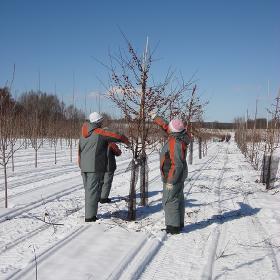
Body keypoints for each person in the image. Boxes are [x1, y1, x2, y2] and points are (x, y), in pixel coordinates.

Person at [78, 112, 129, 222]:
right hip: (94, 166)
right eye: (101, 121)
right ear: (98, 122)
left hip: (84, 166)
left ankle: (89, 214)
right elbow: (116, 136)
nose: (102, 123)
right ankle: (90, 217)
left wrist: (80, 163)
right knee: (92, 192)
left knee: (89, 191)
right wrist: (125, 139)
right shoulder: (99, 132)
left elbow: (79, 150)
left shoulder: (83, 133)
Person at [151, 113, 191, 234]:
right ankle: (178, 224)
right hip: (178, 175)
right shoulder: (181, 135)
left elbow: (176, 164)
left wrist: (170, 181)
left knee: (169, 200)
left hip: (173, 176)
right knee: (177, 198)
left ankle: (173, 227)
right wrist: (155, 117)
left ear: (173, 131)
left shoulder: (175, 142)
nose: (168, 128)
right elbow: (166, 127)